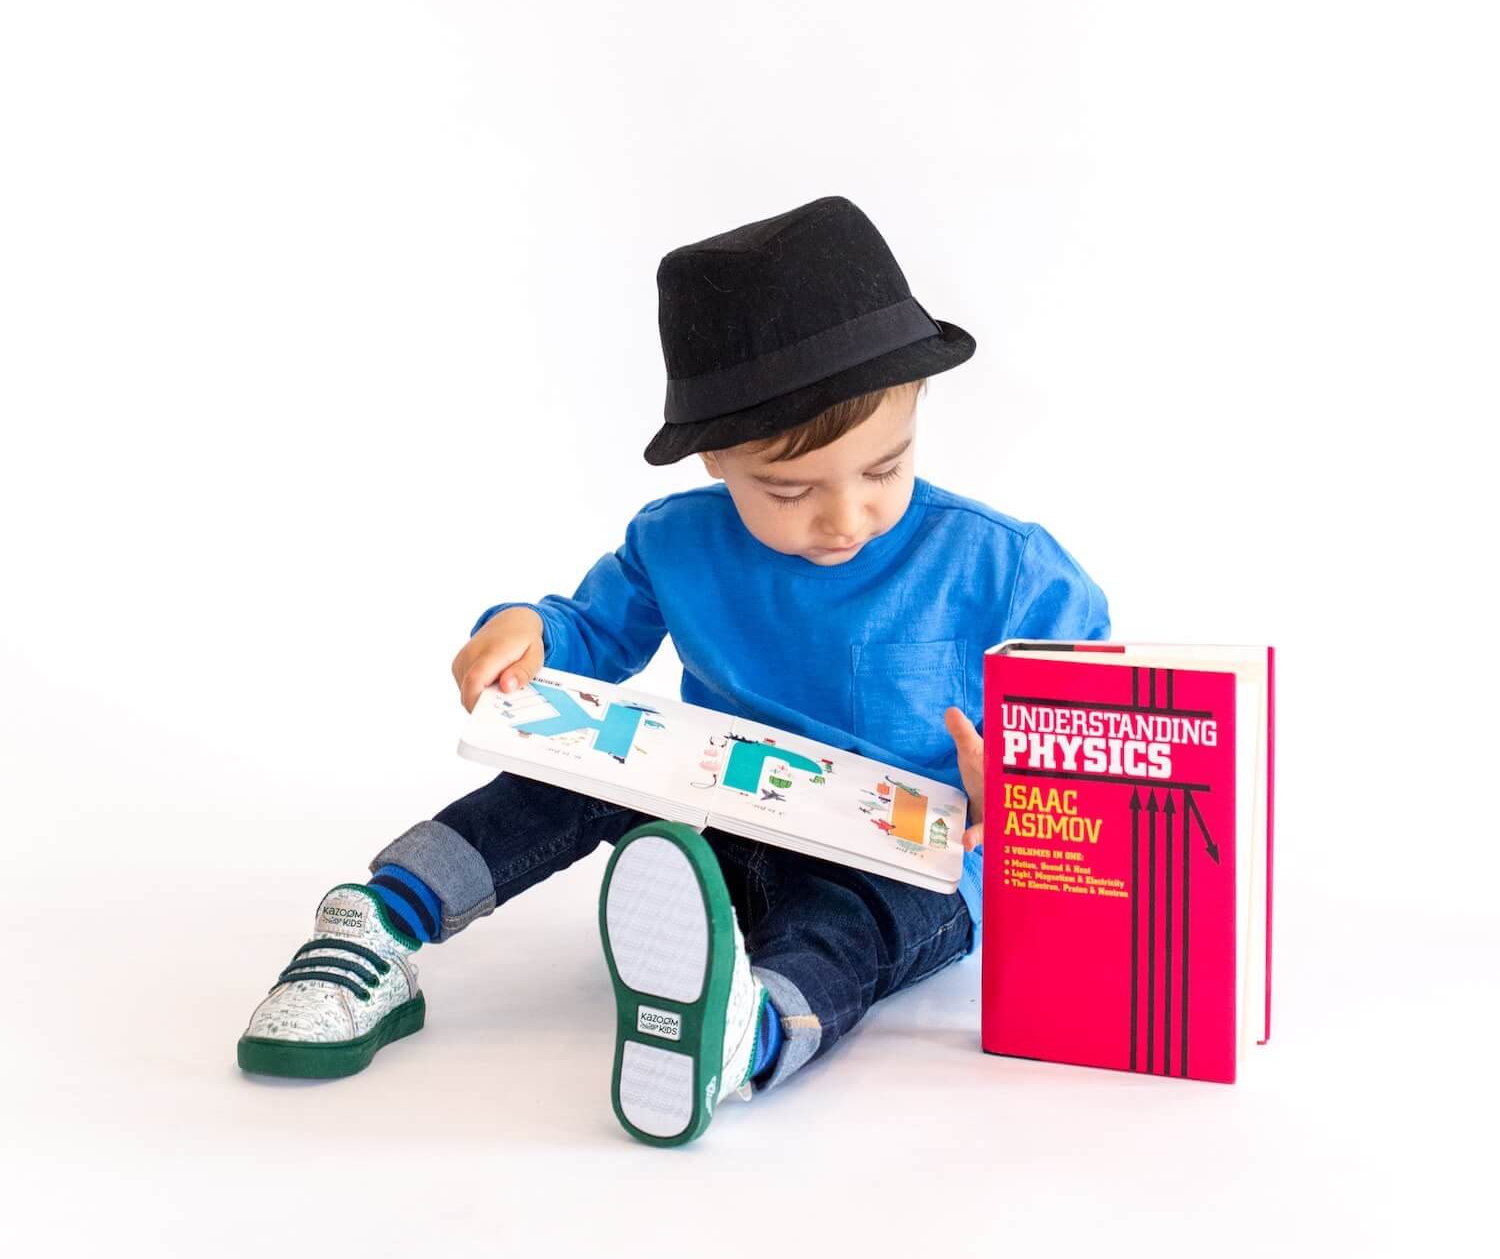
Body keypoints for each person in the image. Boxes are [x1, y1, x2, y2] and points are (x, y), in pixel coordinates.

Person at [236, 195, 1110, 1146]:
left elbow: (1102, 736)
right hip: (721, 830)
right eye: (789, 490)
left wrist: (1027, 785)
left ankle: (751, 1032)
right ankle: (379, 923)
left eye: (884, 470)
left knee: (860, 926)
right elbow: (586, 634)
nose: (846, 518)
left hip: (902, 861)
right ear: (712, 464)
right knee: (576, 766)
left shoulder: (1006, 568)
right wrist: (526, 630)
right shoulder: (674, 542)